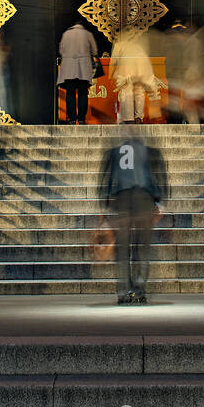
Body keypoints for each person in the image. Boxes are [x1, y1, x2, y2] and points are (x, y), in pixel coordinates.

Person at [98, 133, 169, 304]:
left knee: (122, 249)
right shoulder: (151, 152)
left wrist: (103, 204)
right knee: (142, 247)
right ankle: (139, 290)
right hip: (144, 199)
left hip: (121, 199)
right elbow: (160, 178)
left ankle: (123, 292)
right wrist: (160, 203)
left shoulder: (114, 152)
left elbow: (105, 178)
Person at [110, 26, 157, 123]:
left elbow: (113, 62)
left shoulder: (119, 45)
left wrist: (110, 76)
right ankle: (139, 117)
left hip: (127, 71)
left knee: (127, 92)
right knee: (139, 92)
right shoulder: (138, 46)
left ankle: (128, 118)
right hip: (140, 71)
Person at [57, 17, 99, 124]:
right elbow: (94, 51)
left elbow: (61, 50)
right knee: (83, 94)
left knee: (70, 94)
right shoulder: (87, 34)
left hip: (69, 68)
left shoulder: (66, 34)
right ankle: (81, 119)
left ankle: (71, 119)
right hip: (83, 68)